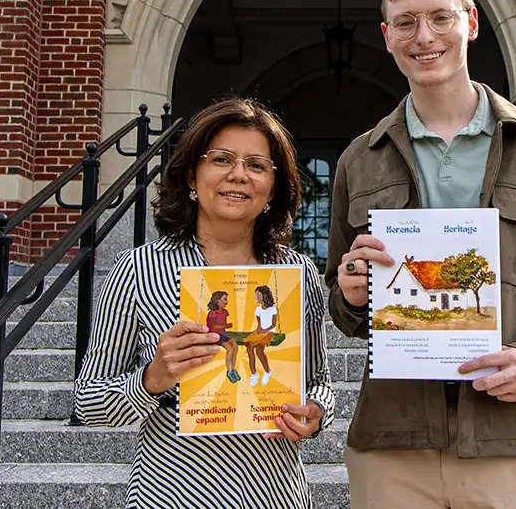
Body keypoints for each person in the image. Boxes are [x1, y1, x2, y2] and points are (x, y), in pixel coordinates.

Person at [325, 0, 516, 509]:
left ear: (472, 23)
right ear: (387, 37)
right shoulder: (358, 161)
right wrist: (351, 292)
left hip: (515, 438)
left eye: (441, 17)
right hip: (395, 441)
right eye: (406, 23)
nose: (424, 36)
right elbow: (346, 309)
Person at [75, 97, 335, 509]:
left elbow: (320, 380)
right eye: (221, 159)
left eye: (256, 165)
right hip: (171, 496)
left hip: (276, 496)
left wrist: (316, 412)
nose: (238, 175)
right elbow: (89, 402)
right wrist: (152, 379)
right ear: (192, 176)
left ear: (273, 187)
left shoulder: (297, 274)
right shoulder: (138, 269)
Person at [205, 290, 242, 383]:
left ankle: (232, 369)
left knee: (235, 345)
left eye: (227, 299)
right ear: (217, 301)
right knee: (229, 348)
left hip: (222, 333)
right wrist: (226, 326)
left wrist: (225, 326)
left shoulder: (225, 312)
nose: (226, 301)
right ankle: (229, 372)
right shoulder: (212, 313)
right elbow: (213, 326)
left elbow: (223, 324)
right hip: (214, 335)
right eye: (224, 299)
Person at [245, 285, 278, 386]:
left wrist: (265, 331)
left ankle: (267, 372)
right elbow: (259, 324)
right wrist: (258, 332)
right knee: (249, 348)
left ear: (264, 296)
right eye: (256, 295)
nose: (256, 297)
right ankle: (254, 374)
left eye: (258, 295)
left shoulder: (272, 309)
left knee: (259, 351)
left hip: (270, 332)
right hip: (261, 331)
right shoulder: (258, 310)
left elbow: (273, 324)